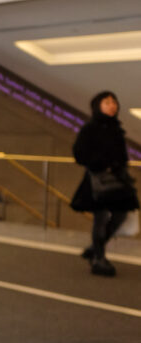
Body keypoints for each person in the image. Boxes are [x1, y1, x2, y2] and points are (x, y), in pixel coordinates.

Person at [71, 91, 139, 276]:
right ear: (98, 106)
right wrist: (101, 164)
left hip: (118, 179)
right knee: (100, 218)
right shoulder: (90, 128)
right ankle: (98, 258)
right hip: (98, 180)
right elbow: (79, 153)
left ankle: (95, 247)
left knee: (121, 215)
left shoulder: (116, 128)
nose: (112, 105)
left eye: (114, 102)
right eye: (107, 102)